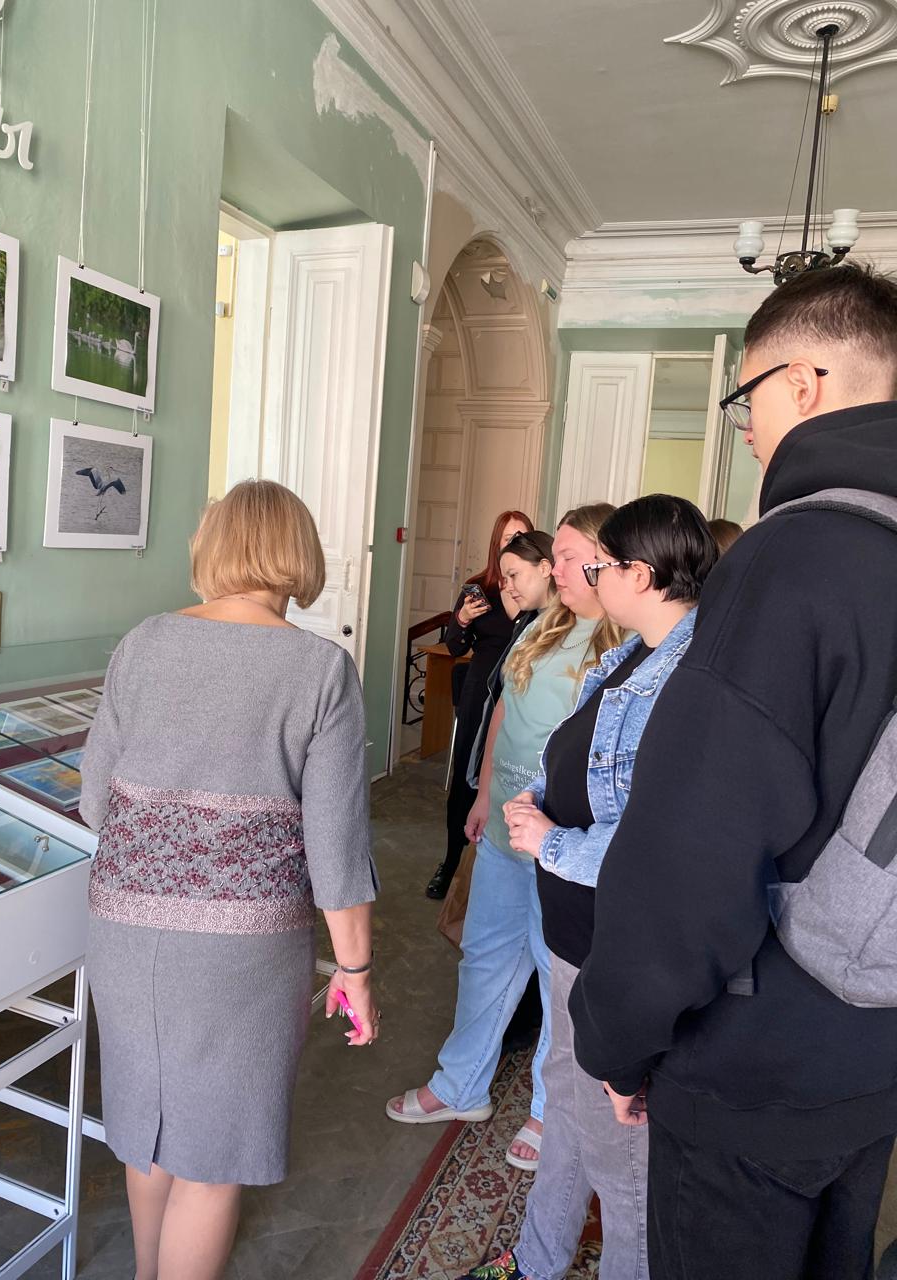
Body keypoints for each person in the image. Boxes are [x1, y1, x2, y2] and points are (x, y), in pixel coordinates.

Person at [570, 263, 897, 1280]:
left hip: (758, 1057)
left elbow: (694, 847)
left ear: (803, 380)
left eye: (746, 397)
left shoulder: (793, 557)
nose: (746, 428)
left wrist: (620, 1038)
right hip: (876, 1046)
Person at [80, 480, 380, 1280]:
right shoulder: (319, 669)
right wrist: (354, 969)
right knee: (212, 1160)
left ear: (212, 548)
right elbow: (336, 847)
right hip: (241, 949)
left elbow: (93, 800)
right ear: (298, 554)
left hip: (124, 928)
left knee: (149, 1131)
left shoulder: (143, 642)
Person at [457, 495, 717, 1280]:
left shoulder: (685, 677)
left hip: (615, 945)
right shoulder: (632, 654)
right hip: (576, 933)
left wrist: (552, 841)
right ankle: (537, 1261)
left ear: (641, 573)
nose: (585, 577)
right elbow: (581, 757)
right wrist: (534, 798)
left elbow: (660, 845)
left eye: (596, 564)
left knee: (619, 1156)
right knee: (568, 1109)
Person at [388, 510, 622, 1171]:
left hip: (561, 844)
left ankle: (551, 1112)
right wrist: (484, 794)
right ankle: (459, 1086)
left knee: (556, 979)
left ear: (606, 560)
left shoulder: (623, 644)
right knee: (485, 958)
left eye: (569, 556)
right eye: (558, 557)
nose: (557, 568)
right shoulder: (543, 625)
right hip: (503, 831)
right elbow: (503, 715)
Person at [426, 510, 534, 899]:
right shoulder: (478, 589)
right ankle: (451, 861)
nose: (515, 542)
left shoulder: (538, 591)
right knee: (465, 779)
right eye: (508, 537)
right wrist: (462, 619)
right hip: (480, 694)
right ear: (496, 544)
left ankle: (495, 867)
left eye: (522, 535)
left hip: (521, 693)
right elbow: (455, 647)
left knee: (513, 776)